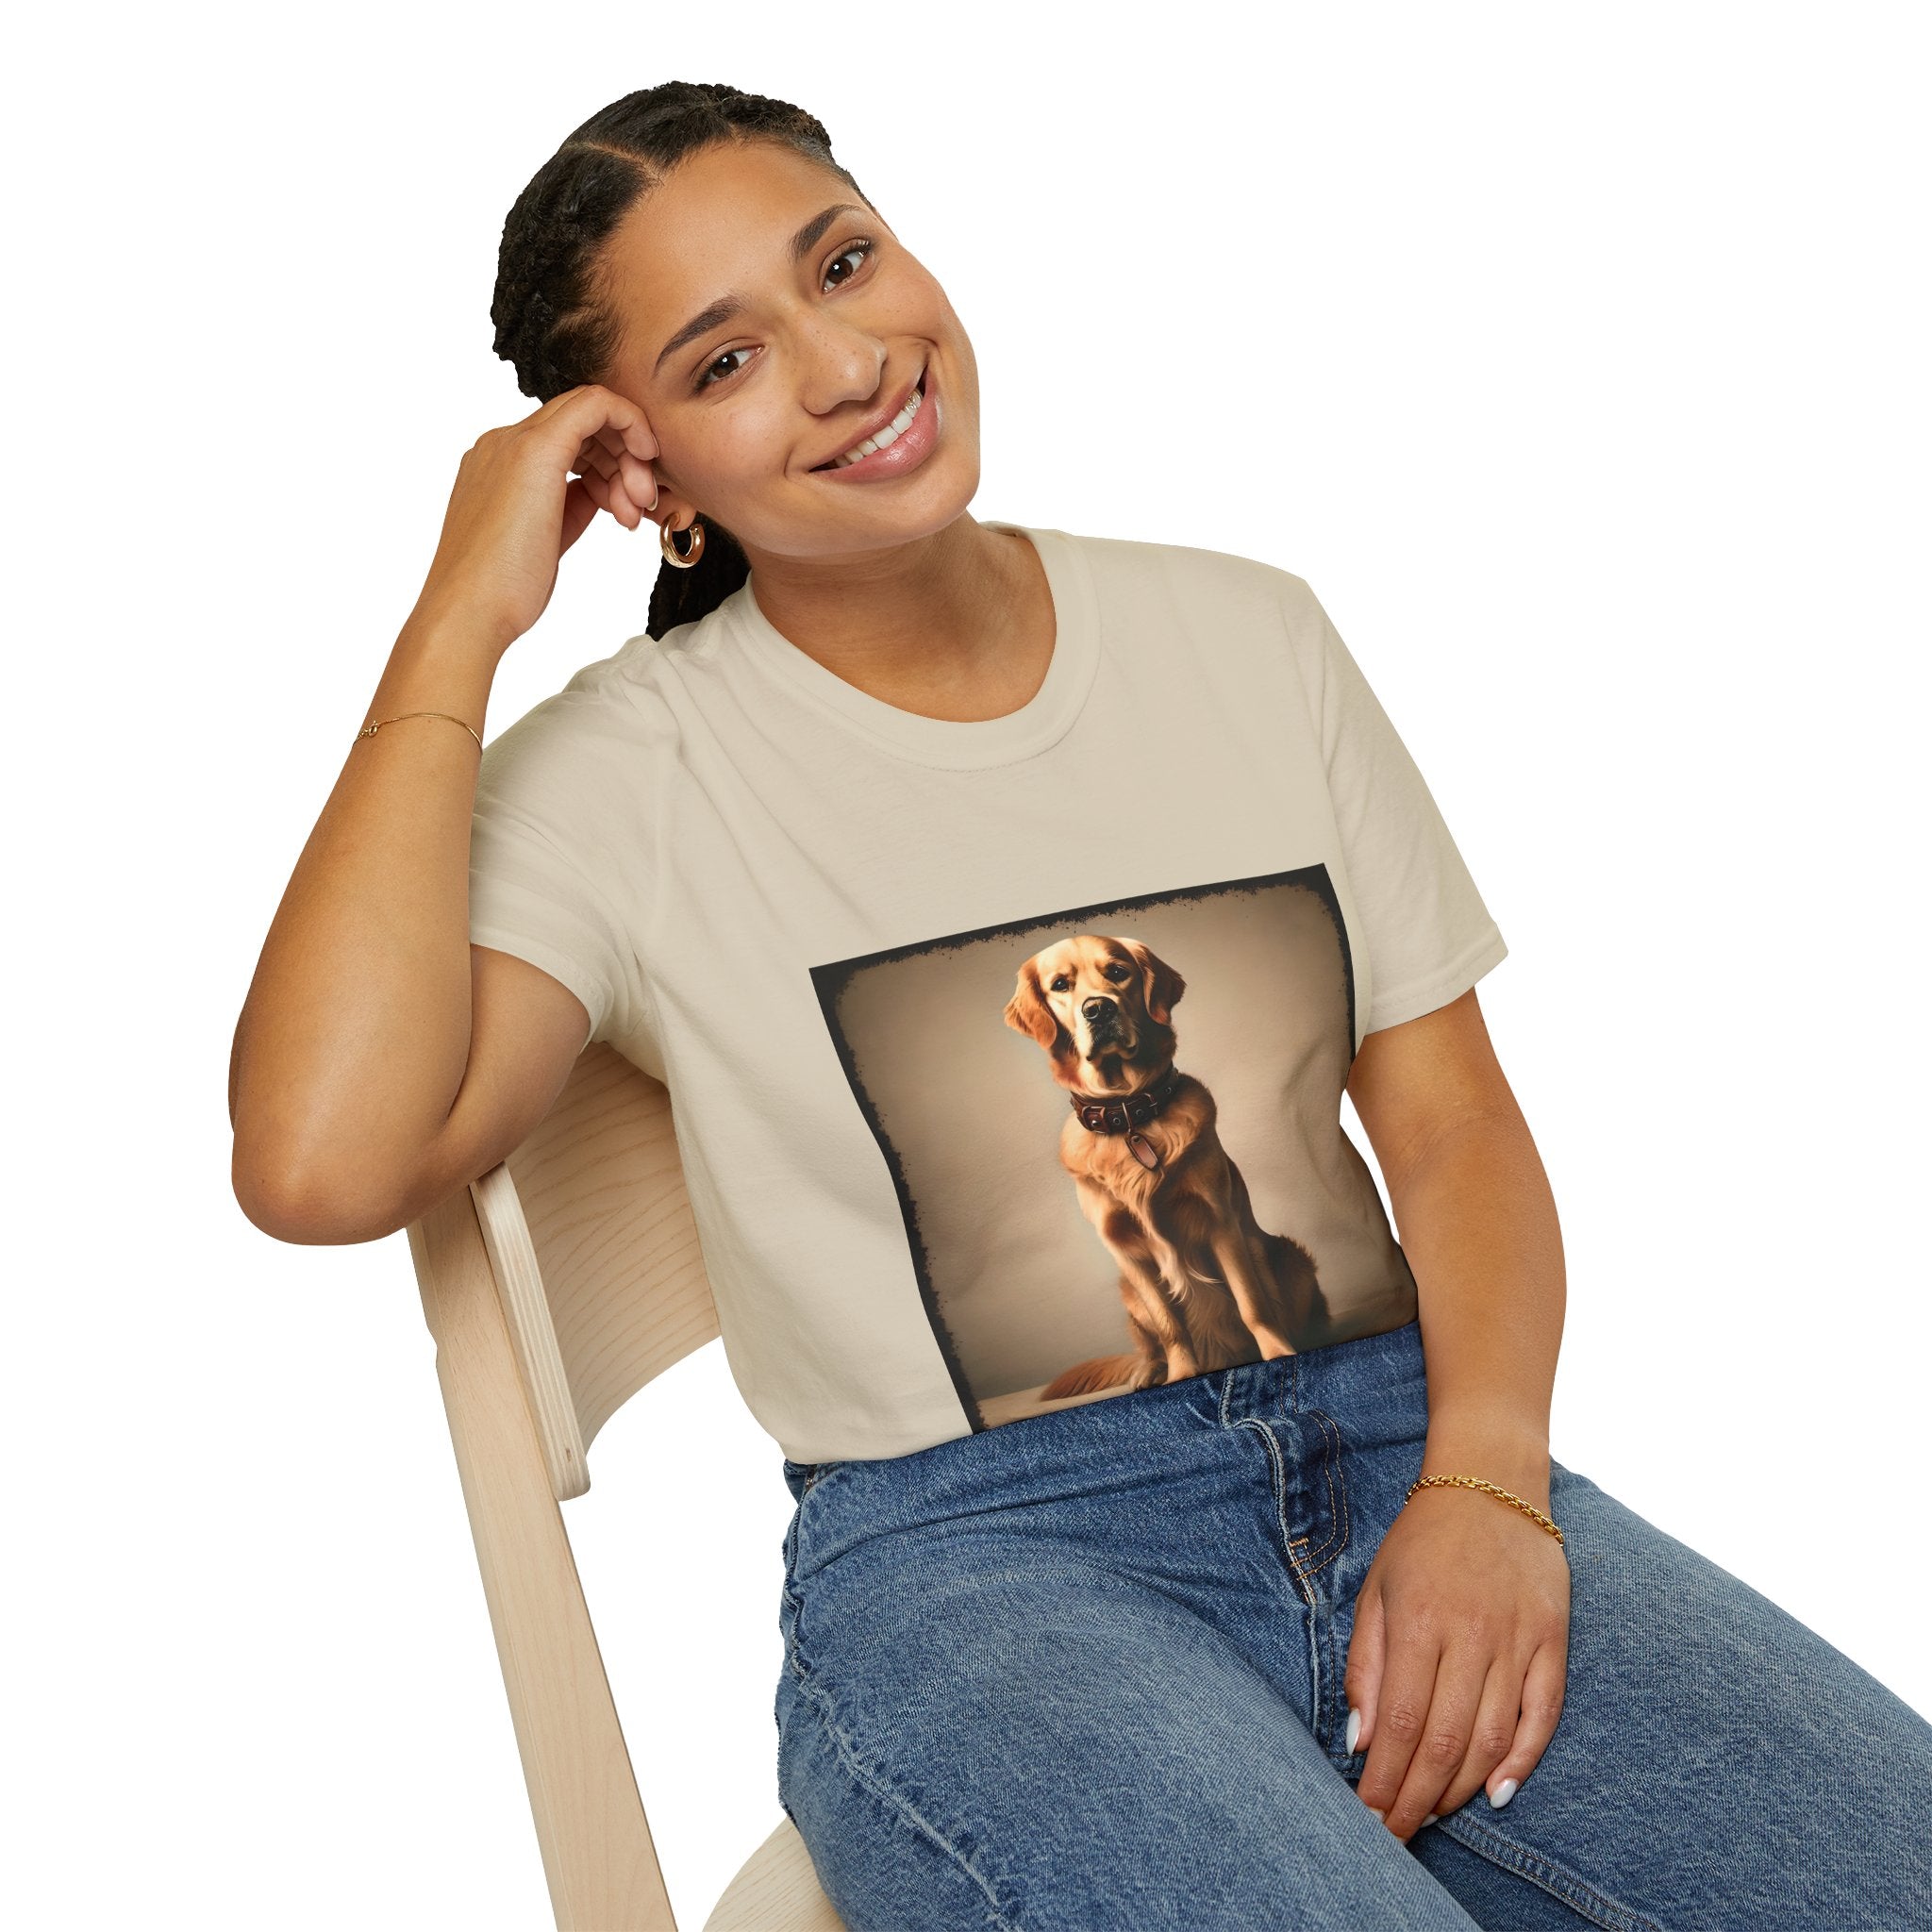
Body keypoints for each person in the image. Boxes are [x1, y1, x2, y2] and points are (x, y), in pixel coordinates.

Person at [228, 81, 1932, 1932]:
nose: (846, 362)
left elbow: (1448, 1127)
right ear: (645, 476)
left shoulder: (1246, 634)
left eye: (845, 263)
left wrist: (1490, 1487)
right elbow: (321, 1159)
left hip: (1402, 1446)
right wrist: (455, 620)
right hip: (982, 1566)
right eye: (724, 363)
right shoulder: (628, 775)